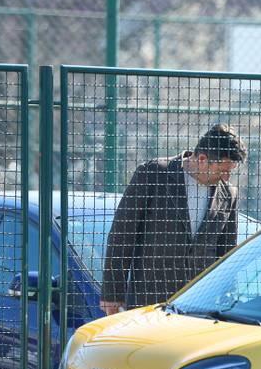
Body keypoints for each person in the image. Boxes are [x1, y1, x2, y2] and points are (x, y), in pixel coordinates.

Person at [100, 124, 248, 315]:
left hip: (200, 306)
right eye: (222, 171)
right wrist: (112, 294)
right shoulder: (152, 174)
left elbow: (226, 253)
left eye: (230, 172)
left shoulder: (229, 194)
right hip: (150, 303)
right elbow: (122, 236)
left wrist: (228, 299)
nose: (226, 178)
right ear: (202, 159)